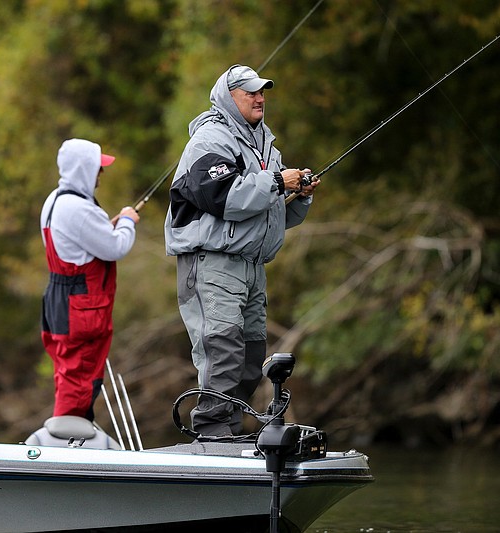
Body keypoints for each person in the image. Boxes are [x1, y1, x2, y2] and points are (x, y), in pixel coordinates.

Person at [164, 64, 320, 437]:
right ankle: (213, 433)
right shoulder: (209, 141)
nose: (260, 98)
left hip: (252, 267)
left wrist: (298, 197)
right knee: (223, 351)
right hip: (212, 262)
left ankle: (229, 433)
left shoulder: (266, 144)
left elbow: (275, 215)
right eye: (250, 92)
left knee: (252, 357)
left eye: (262, 91)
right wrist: (277, 181)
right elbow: (227, 198)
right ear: (227, 98)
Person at [40, 138, 140, 422]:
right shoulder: (78, 209)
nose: (101, 174)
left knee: (68, 373)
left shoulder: (54, 201)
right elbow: (116, 247)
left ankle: (73, 433)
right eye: (97, 167)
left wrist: (107, 227)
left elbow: (76, 243)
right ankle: (67, 441)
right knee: (80, 378)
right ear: (84, 169)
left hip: (58, 302)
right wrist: (127, 221)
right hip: (81, 307)